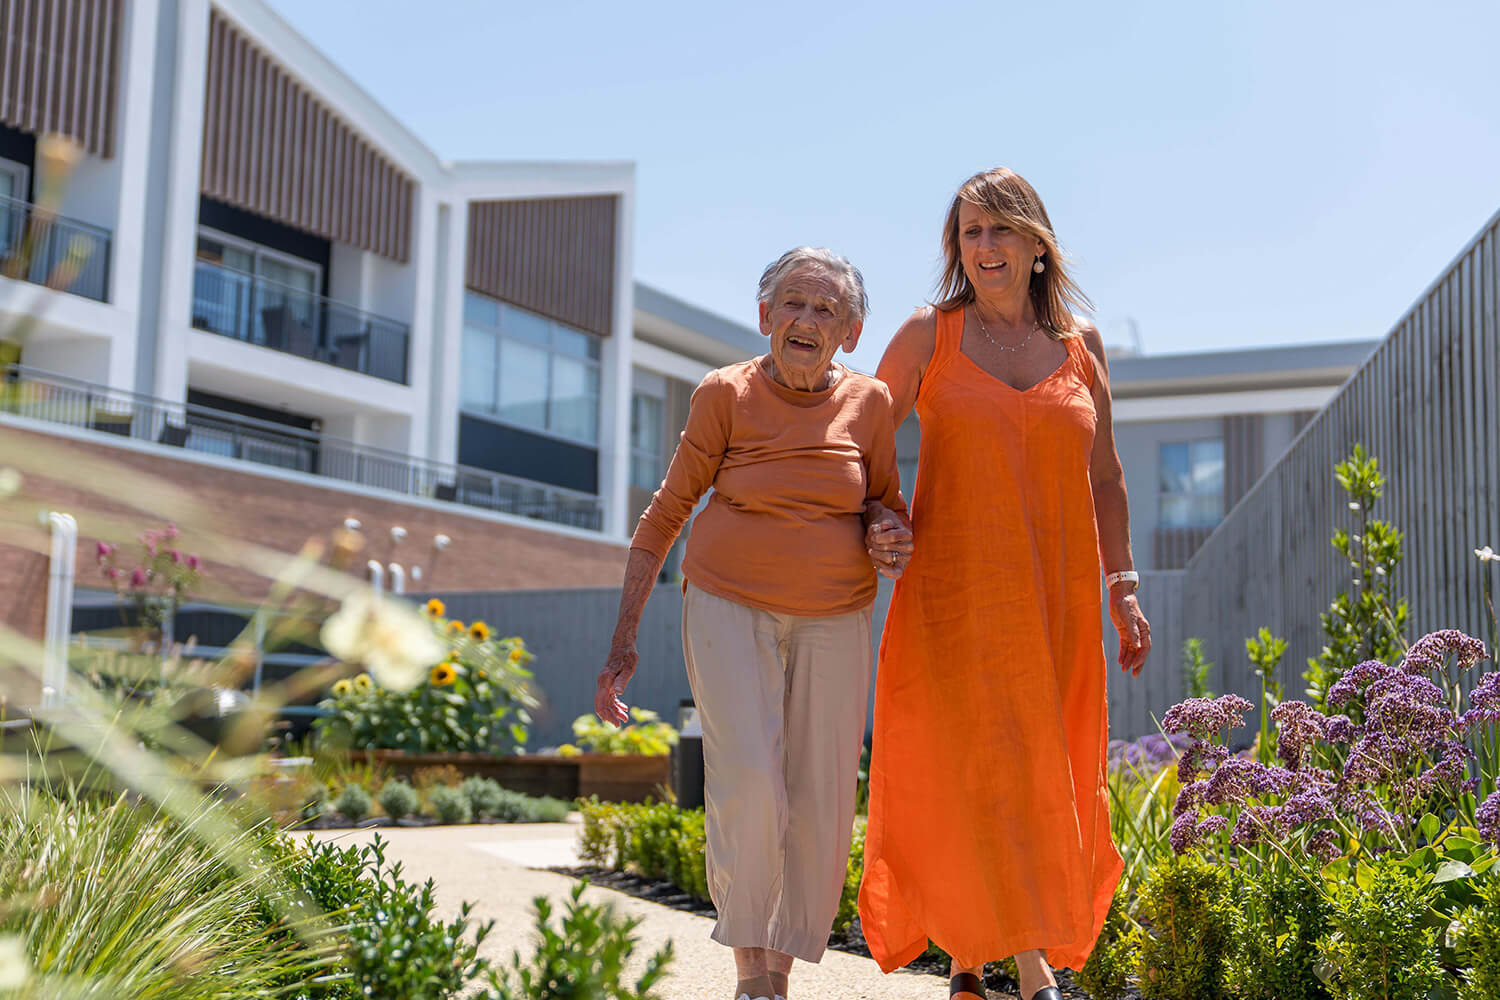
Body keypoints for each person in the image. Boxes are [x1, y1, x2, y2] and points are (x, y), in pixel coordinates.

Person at [857, 168, 1151, 1000]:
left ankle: (965, 963)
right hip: (956, 591)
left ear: (1035, 243)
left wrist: (1121, 587)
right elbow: (863, 437)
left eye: (998, 231)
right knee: (975, 763)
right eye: (968, 233)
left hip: (1056, 598)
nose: (982, 248)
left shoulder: (1080, 346)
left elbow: (1108, 478)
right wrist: (878, 514)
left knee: (1037, 764)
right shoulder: (930, 335)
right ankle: (1029, 970)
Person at [595, 247, 909, 1000]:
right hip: (727, 601)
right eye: (792, 304)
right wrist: (622, 641)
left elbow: (885, 502)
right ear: (765, 316)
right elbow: (666, 512)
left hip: (836, 613)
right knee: (750, 783)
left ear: (852, 332)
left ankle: (781, 972)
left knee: (821, 793)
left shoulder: (871, 405)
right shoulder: (723, 395)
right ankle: (749, 976)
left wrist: (884, 529)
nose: (806, 320)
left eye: (825, 308)